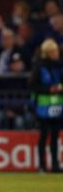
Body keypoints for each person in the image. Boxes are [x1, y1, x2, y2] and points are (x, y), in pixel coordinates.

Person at [29, 38, 63, 173]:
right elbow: (32, 85)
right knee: (44, 136)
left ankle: (55, 165)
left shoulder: (60, 66)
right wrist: (49, 89)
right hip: (43, 107)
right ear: (48, 52)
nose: (56, 53)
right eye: (53, 51)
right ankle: (42, 165)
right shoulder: (39, 67)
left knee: (55, 136)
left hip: (58, 107)